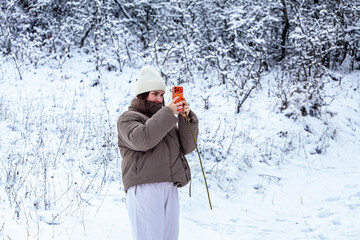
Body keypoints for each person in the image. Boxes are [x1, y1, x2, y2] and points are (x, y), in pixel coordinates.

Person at [117, 65, 199, 240]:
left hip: (169, 186)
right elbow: (143, 139)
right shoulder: (128, 118)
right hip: (144, 187)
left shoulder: (165, 121)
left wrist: (186, 118)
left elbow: (187, 147)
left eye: (162, 95)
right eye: (155, 94)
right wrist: (169, 112)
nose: (159, 99)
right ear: (143, 95)